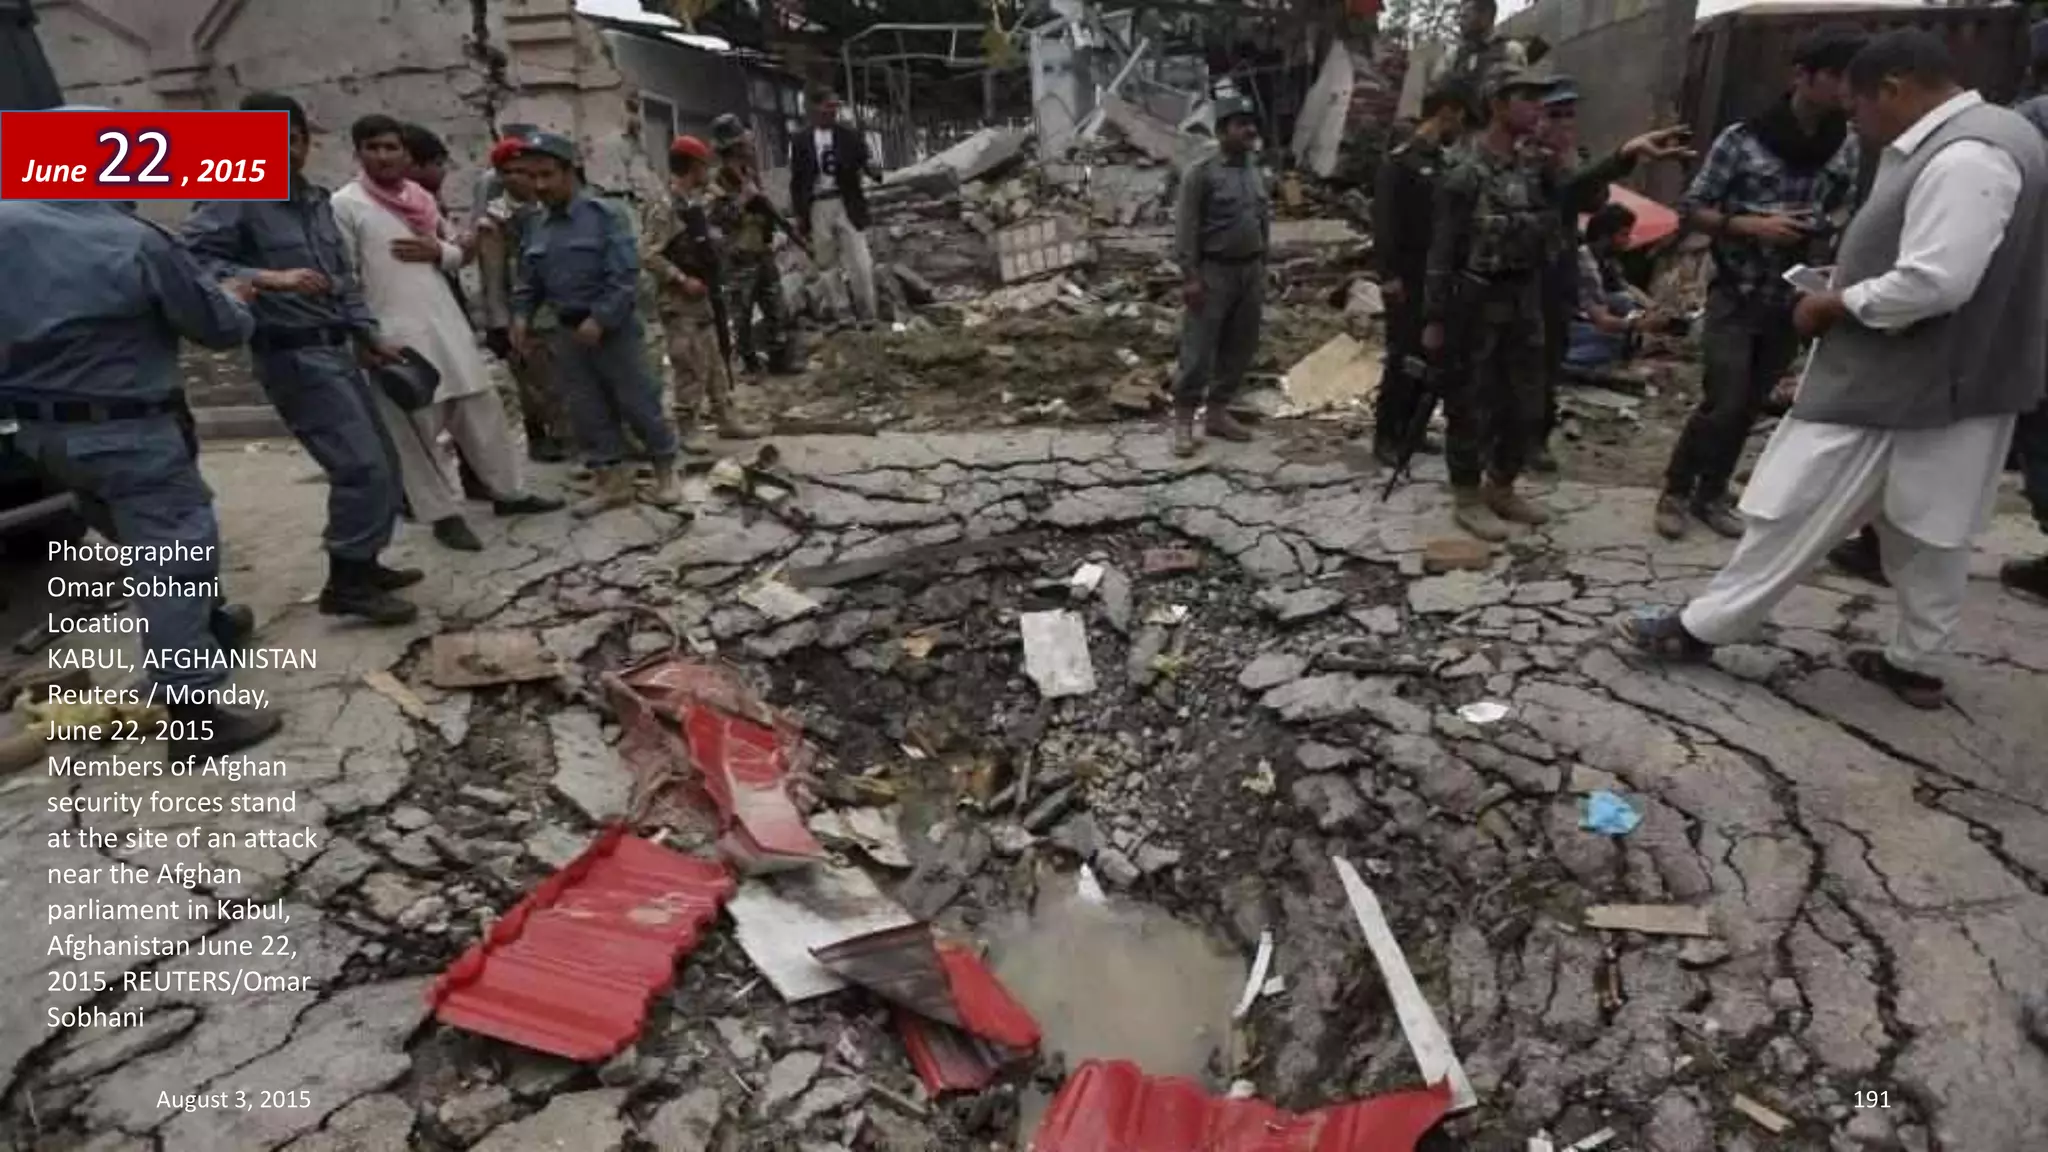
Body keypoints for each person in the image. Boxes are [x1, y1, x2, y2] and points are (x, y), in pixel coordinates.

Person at [1619, 30, 2047, 710]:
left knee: (1795, 500)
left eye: (1858, 107)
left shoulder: (1968, 156)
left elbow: (1936, 281)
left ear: (1894, 88)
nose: (1856, 124)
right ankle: (1915, 662)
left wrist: (1834, 302)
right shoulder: (1994, 136)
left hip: (1900, 378)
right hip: (1957, 380)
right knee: (1930, 529)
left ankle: (1703, 627)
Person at [0, 193, 280, 758]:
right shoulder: (133, 238)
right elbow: (218, 328)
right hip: (127, 426)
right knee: (175, 552)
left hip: (41, 433)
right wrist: (235, 298)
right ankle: (194, 712)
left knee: (140, 542)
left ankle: (205, 631)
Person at [182, 91, 421, 625]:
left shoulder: (313, 201)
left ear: (306, 143)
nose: (285, 151)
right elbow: (192, 261)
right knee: (358, 467)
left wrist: (367, 336)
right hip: (292, 357)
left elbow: (340, 277)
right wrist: (268, 277)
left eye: (293, 139)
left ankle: (364, 561)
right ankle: (349, 583)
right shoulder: (232, 196)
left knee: (382, 463)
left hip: (337, 349)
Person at [1423, 66, 1689, 541]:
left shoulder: (1541, 166)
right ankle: (1466, 494)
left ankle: (1501, 485)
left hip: (1528, 293)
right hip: (1477, 295)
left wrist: (1621, 156)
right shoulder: (1465, 170)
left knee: (1529, 399)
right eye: (1527, 98)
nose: (1538, 108)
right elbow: (1442, 247)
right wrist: (1435, 317)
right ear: (1499, 104)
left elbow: (1586, 193)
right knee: (1469, 399)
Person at [1652, 27, 1865, 541]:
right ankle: (1675, 491)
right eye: (1834, 76)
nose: (1843, 89)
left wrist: (1824, 226)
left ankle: (1712, 492)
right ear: (1802, 76)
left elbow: (1848, 204)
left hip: (1793, 298)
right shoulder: (1743, 140)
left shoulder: (1847, 144)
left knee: (1751, 402)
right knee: (1723, 397)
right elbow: (1692, 209)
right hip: (1736, 290)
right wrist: (1752, 225)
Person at [332, 114, 563, 552]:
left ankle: (509, 492)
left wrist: (438, 250)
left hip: (447, 323)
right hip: (393, 334)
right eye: (373, 148)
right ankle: (442, 515)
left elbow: (458, 254)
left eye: (391, 147)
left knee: (481, 408)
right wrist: (363, 337)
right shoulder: (346, 205)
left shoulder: (419, 198)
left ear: (405, 153)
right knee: (417, 430)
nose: (383, 156)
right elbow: (344, 278)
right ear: (358, 153)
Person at [508, 130, 684, 516]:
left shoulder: (606, 215)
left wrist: (601, 318)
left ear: (570, 172)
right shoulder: (536, 225)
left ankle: (666, 474)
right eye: (532, 177)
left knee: (639, 402)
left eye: (547, 175)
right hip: (567, 333)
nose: (539, 185)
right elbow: (528, 280)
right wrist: (520, 318)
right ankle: (612, 482)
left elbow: (624, 275)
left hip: (613, 331)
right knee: (587, 409)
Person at [641, 133, 762, 448]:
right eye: (704, 165)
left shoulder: (692, 202)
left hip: (703, 296)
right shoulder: (665, 206)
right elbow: (647, 254)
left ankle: (726, 417)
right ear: (693, 166)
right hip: (679, 300)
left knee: (713, 360)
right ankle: (688, 427)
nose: (708, 171)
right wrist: (681, 279)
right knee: (688, 364)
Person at [1371, 84, 1471, 467]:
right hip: (1407, 275)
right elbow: (1384, 225)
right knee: (1402, 355)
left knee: (1430, 355)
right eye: (1459, 118)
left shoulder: (1445, 164)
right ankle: (1386, 434)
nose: (1460, 128)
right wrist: (1388, 275)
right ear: (1445, 112)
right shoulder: (1400, 162)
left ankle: (1412, 427)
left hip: (1436, 277)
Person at [1170, 96, 1270, 458]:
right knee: (1198, 350)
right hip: (1214, 272)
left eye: (1251, 123)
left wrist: (1264, 266)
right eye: (1241, 124)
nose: (1250, 130)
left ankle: (1217, 413)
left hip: (1250, 270)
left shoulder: (1253, 169)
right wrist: (1190, 276)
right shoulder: (1201, 173)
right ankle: (1183, 420)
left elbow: (1262, 220)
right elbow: (1186, 228)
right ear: (1222, 130)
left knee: (1240, 346)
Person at [475, 132, 573, 462]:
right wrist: (499, 322)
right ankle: (538, 435)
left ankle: (565, 434)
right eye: (511, 171)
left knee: (561, 378)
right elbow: (492, 277)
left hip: (556, 307)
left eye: (526, 171)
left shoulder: (547, 209)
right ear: (500, 176)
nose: (521, 178)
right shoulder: (495, 220)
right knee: (530, 381)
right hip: (521, 311)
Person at [710, 112, 798, 377]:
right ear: (735, 146)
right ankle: (748, 364)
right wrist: (742, 200)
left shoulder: (750, 174)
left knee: (775, 305)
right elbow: (716, 219)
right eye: (746, 141)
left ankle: (779, 359)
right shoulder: (718, 180)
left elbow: (764, 210)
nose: (751, 145)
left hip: (760, 248)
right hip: (739, 254)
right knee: (741, 313)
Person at [789, 86, 880, 327]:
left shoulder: (848, 136)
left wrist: (872, 169)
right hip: (818, 204)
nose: (832, 112)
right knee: (827, 263)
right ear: (815, 109)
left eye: (835, 108)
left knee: (860, 260)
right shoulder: (801, 140)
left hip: (846, 200)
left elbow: (865, 159)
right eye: (828, 107)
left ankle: (868, 312)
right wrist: (800, 214)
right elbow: (797, 180)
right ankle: (843, 313)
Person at [1564, 203, 1651, 375]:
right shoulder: (1584, 261)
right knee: (1615, 341)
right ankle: (1562, 363)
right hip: (1567, 323)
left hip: (1586, 319)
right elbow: (1602, 320)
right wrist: (1639, 324)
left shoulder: (1606, 261)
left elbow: (1626, 289)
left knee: (1623, 301)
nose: (1628, 240)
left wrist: (1654, 309)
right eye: (1623, 234)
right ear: (1605, 236)